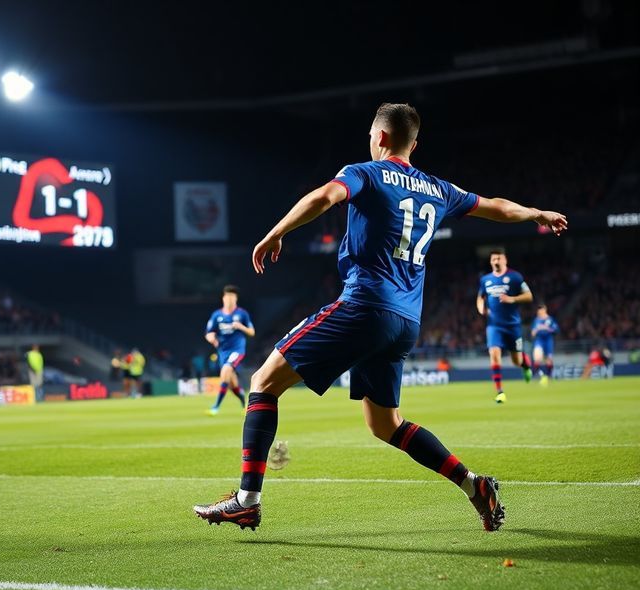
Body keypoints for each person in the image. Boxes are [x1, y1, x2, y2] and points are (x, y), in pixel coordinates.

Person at [193, 102, 566, 532]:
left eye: (372, 135)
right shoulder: (438, 188)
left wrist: (276, 232)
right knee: (385, 424)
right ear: (414, 144)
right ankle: (473, 485)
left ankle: (246, 501)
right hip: (405, 321)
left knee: (263, 382)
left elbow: (324, 197)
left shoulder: (366, 173)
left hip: (364, 306)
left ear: (381, 137)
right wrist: (537, 214)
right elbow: (496, 206)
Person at [476, 249, 534, 403]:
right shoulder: (485, 280)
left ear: (505, 260)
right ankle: (500, 391)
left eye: (499, 258)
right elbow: (480, 297)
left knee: (516, 361)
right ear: (490, 262)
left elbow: (529, 296)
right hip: (494, 326)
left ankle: (525, 364)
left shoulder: (515, 277)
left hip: (512, 326)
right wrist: (480, 307)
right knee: (494, 354)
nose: (496, 261)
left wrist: (512, 299)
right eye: (493, 259)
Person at [204, 285, 255, 415]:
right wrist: (211, 338)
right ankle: (245, 404)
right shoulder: (216, 315)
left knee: (226, 370)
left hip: (237, 350)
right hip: (223, 352)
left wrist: (241, 327)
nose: (229, 300)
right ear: (223, 299)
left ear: (236, 299)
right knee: (232, 384)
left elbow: (251, 332)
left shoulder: (242, 314)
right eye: (227, 297)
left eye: (232, 297)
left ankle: (216, 407)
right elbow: (209, 333)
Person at [530, 304, 558, 386]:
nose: (539, 312)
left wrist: (547, 328)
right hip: (539, 340)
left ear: (544, 310)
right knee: (537, 358)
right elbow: (532, 333)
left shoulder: (550, 320)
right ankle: (539, 375)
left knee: (549, 361)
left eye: (540, 310)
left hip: (548, 341)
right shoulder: (536, 320)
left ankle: (549, 376)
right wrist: (535, 331)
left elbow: (556, 330)